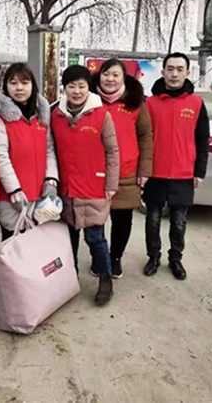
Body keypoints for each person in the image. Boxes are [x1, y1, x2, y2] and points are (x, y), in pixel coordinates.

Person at [51, 65, 120, 304]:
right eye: (72, 86)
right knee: (68, 238)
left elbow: (113, 151)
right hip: (66, 187)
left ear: (89, 87)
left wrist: (111, 184)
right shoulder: (55, 115)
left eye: (82, 86)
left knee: (95, 238)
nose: (77, 91)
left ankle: (105, 279)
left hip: (94, 186)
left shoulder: (102, 115)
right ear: (65, 88)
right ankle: (70, 277)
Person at [142, 52, 210, 280]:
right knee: (152, 219)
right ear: (163, 72)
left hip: (183, 173)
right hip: (155, 173)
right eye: (170, 69)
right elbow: (143, 138)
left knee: (179, 222)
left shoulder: (196, 103)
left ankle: (175, 259)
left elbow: (202, 139)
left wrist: (200, 171)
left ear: (187, 73)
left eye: (180, 69)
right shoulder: (150, 103)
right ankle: (153, 257)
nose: (174, 74)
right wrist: (143, 170)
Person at [91, 58, 153, 279]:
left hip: (126, 172)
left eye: (116, 75)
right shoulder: (89, 100)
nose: (110, 79)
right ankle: (99, 259)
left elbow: (145, 136)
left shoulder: (135, 102)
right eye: (106, 74)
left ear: (123, 78)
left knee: (122, 221)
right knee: (95, 221)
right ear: (99, 76)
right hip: (95, 172)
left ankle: (115, 258)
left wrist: (144, 170)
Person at [0, 63, 59, 239]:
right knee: (13, 243)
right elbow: (0, 156)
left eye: (25, 82)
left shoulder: (41, 116)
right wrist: (14, 189)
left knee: (36, 244)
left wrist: (51, 178)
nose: (19, 88)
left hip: (40, 194)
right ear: (6, 86)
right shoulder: (0, 117)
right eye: (13, 83)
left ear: (33, 85)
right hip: (12, 197)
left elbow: (49, 149)